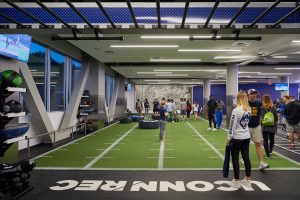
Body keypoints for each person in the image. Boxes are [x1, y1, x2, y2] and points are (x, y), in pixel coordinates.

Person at [227, 91, 252, 189]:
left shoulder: (236, 110)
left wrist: (229, 138)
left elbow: (232, 125)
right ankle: (247, 179)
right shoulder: (249, 109)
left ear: (238, 99)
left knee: (235, 159)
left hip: (237, 138)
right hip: (246, 137)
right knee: (246, 157)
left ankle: (236, 181)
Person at [248, 89, 269, 170]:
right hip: (246, 127)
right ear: (248, 95)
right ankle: (244, 158)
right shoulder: (245, 103)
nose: (253, 95)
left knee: (258, 144)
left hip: (256, 126)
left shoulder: (258, 103)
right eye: (252, 94)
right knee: (245, 145)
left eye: (255, 94)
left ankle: (261, 163)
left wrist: (260, 124)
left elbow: (261, 113)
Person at [261, 94, 278, 159]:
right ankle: (270, 151)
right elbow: (276, 116)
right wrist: (276, 122)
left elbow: (261, 116)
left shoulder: (262, 107)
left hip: (264, 125)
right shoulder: (273, 106)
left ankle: (267, 154)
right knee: (272, 139)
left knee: (265, 139)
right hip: (272, 125)